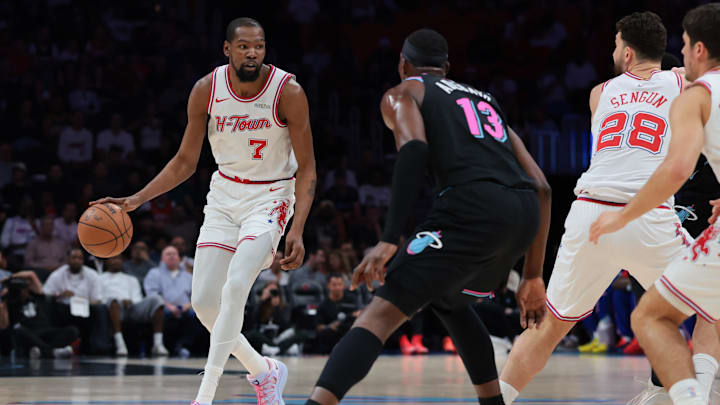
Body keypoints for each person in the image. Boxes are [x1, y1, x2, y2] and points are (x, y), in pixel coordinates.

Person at [305, 28, 550, 405]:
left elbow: (415, 150)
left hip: (471, 207)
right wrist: (533, 275)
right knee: (450, 300)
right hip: (521, 214)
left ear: (403, 64)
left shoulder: (403, 92)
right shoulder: (485, 99)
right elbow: (543, 187)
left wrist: (389, 238)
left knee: (379, 315)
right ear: (446, 68)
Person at [92, 16, 316, 405]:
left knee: (236, 286)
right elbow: (183, 163)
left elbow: (309, 167)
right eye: (244, 45)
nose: (252, 53)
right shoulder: (206, 90)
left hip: (271, 197)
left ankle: (204, 395)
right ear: (227, 49)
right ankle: (265, 372)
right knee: (204, 304)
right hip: (224, 196)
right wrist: (132, 202)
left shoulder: (288, 91)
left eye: (259, 46)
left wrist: (297, 228)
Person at [498, 12, 690, 405]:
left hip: (590, 213)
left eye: (615, 44)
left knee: (549, 328)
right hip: (647, 214)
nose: (612, 50)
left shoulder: (599, 93)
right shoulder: (683, 82)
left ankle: (495, 399)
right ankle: (694, 395)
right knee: (710, 308)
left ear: (628, 51)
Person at [590, 5, 720, 405]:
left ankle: (687, 391)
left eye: (683, 46)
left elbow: (679, 167)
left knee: (654, 313)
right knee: (692, 305)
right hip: (681, 205)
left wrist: (625, 214)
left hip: (687, 201)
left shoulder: (694, 95)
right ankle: (683, 387)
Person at [100, 255, 168, 357]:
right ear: (107, 261)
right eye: (113, 258)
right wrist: (118, 301)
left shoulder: (131, 279)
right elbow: (99, 297)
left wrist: (130, 301)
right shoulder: (100, 278)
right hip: (112, 309)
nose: (116, 261)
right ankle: (120, 344)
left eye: (119, 258)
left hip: (132, 308)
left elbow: (138, 298)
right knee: (113, 301)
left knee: (157, 299)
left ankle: (158, 344)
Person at [43, 248, 106, 354]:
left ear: (83, 260)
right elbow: (45, 294)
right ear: (68, 259)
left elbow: (98, 300)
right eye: (74, 258)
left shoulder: (92, 275)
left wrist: (85, 303)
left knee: (100, 309)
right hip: (64, 310)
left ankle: (100, 347)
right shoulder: (58, 274)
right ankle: (52, 342)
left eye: (80, 258)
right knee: (50, 305)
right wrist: (60, 295)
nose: (76, 260)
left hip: (87, 309)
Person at [2, 270, 77, 358]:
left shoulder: (36, 296)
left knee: (73, 330)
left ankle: (43, 351)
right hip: (29, 333)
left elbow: (31, 274)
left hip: (45, 330)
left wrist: (9, 278)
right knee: (17, 329)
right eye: (21, 289)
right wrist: (4, 301)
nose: (24, 291)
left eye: (25, 288)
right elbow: (4, 326)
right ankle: (52, 352)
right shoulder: (10, 303)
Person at [143, 246, 198, 357]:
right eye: (168, 254)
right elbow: (153, 294)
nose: (172, 256)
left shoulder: (188, 276)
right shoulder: (154, 273)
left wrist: (187, 306)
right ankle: (162, 345)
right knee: (162, 313)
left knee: (197, 314)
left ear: (179, 258)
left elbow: (196, 295)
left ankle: (184, 345)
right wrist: (169, 306)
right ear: (162, 258)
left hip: (186, 307)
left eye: (174, 254)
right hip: (164, 307)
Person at [313, 274, 360, 354]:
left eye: (339, 285)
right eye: (334, 285)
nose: (337, 288)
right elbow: (319, 326)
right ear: (329, 286)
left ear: (344, 286)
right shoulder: (323, 305)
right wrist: (331, 326)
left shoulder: (351, 300)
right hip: (332, 336)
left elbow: (358, 313)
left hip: (348, 333)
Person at [24, 216, 69, 281]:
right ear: (41, 227)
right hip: (40, 274)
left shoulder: (60, 243)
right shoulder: (33, 243)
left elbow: (66, 261)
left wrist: (57, 267)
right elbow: (28, 262)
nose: (49, 227)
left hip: (58, 273)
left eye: (51, 225)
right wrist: (45, 267)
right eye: (46, 225)